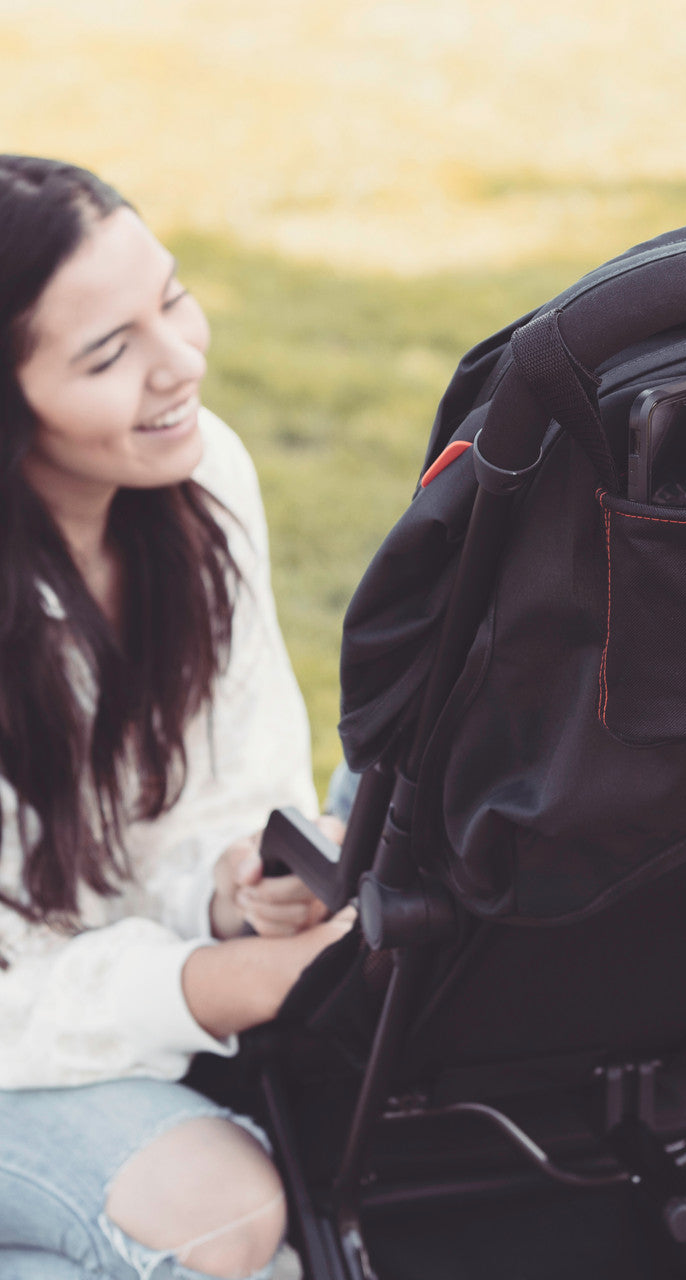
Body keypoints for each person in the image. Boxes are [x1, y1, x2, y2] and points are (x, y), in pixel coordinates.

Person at [0, 156, 355, 1280]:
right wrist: (210, 984)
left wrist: (238, 884)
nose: (179, 362)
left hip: (93, 993)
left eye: (173, 296)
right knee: (218, 1221)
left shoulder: (198, 483)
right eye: (109, 354)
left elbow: (219, 793)